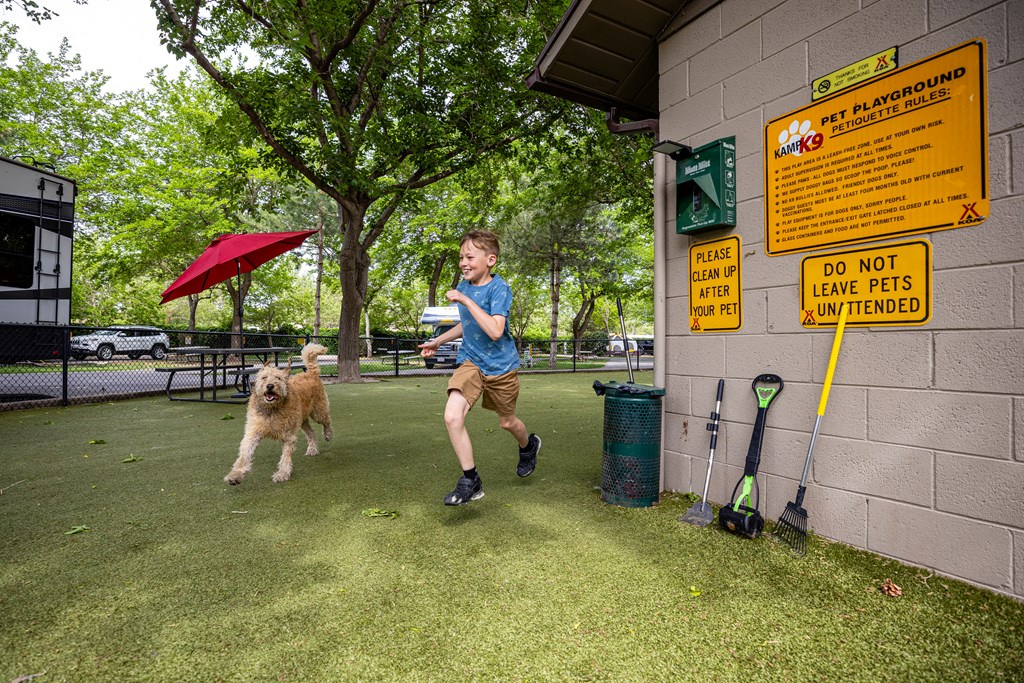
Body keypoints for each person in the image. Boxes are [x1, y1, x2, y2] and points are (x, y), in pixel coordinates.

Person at [418, 230, 541, 506]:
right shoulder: (464, 288)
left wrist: (466, 301)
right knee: (452, 416)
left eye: (470, 256)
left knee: (507, 422)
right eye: (461, 257)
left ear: (490, 260)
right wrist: (438, 340)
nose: (463, 262)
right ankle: (471, 480)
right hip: (471, 362)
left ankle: (528, 445)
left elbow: (496, 330)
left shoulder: (499, 289)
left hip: (501, 367)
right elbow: (467, 324)